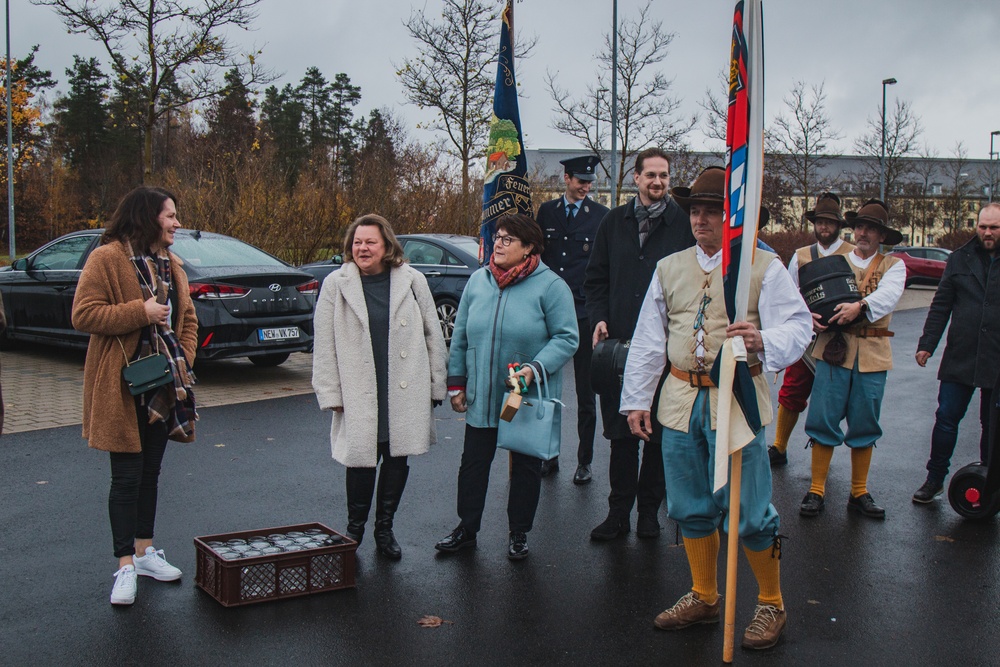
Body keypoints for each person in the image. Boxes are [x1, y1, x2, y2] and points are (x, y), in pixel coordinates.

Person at [621, 166, 812, 650]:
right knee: (689, 508)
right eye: (697, 211)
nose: (701, 219)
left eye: (713, 211)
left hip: (738, 402)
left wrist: (764, 338)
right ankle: (705, 596)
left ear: (734, 219)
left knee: (747, 513)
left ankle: (771, 602)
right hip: (680, 402)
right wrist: (637, 400)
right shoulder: (669, 267)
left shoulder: (762, 266)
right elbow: (648, 338)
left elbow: (799, 326)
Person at [72, 186, 198, 606]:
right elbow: (83, 314)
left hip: (164, 387)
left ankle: (145, 552)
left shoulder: (172, 265)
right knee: (125, 478)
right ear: (148, 217)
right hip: (121, 388)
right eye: (170, 216)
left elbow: (189, 320)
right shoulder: (106, 258)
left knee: (150, 474)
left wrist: (183, 358)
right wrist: (137, 313)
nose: (177, 223)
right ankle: (124, 565)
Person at [435, 213, 578, 560]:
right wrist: (456, 383)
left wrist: (534, 369)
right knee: (474, 462)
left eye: (507, 239)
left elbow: (567, 337)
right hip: (482, 392)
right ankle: (466, 528)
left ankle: (518, 533)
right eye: (497, 237)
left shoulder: (551, 286)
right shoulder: (479, 281)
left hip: (520, 394)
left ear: (529, 247)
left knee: (526, 464)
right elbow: (461, 336)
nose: (498, 244)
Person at [312, 214, 447, 559]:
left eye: (370, 242)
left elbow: (434, 333)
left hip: (405, 385)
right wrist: (330, 393)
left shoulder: (412, 280)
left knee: (397, 455)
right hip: (359, 388)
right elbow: (324, 343)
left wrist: (436, 384)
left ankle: (384, 529)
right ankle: (353, 531)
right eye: (357, 242)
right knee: (361, 459)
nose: (362, 248)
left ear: (386, 246)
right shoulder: (335, 284)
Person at [583, 147, 694, 541]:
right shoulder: (614, 222)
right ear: (636, 177)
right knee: (621, 435)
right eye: (651, 175)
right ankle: (618, 514)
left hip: (667, 350)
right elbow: (595, 280)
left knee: (659, 435)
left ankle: (649, 513)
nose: (658, 182)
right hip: (618, 349)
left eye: (664, 175)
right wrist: (598, 317)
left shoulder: (684, 225)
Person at [800, 199, 905, 519]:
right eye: (859, 226)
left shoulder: (893, 266)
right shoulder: (835, 261)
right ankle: (816, 489)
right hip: (833, 351)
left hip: (872, 357)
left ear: (882, 236)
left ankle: (859, 491)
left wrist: (860, 307)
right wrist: (809, 317)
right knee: (823, 419)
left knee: (864, 423)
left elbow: (888, 297)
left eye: (870, 228)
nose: (863, 233)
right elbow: (806, 296)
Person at [912, 203, 1000, 503]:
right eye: (983, 226)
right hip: (960, 355)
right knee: (946, 418)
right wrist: (927, 344)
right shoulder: (959, 259)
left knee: (992, 426)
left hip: (996, 358)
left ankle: (989, 485)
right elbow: (941, 304)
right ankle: (934, 478)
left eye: (994, 228)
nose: (987, 233)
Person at [537, 154, 610, 484]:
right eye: (580, 180)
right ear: (565, 178)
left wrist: (601, 315)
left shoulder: (601, 217)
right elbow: (538, 260)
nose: (586, 186)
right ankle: (548, 454)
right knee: (547, 389)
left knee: (586, 393)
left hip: (582, 314)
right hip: (549, 314)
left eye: (589, 181)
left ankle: (584, 461)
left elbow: (603, 272)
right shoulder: (547, 213)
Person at [769, 193, 854, 466]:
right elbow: (791, 293)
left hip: (842, 339)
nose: (824, 227)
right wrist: (805, 317)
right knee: (792, 390)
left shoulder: (853, 254)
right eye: (820, 222)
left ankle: (823, 458)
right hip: (808, 336)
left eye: (829, 222)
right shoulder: (801, 255)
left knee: (830, 400)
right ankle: (779, 447)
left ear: (839, 225)